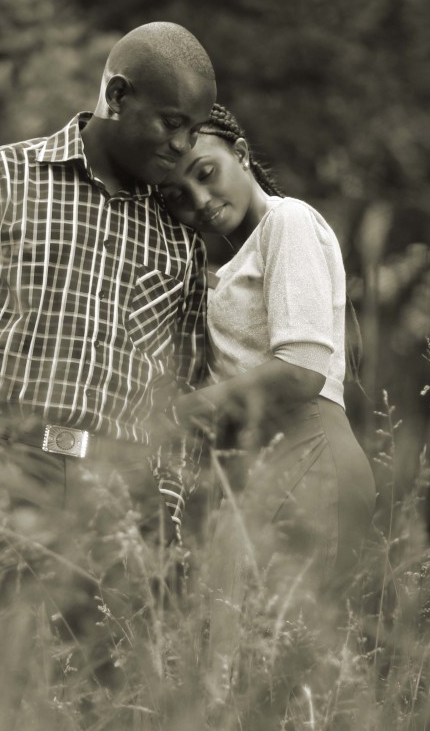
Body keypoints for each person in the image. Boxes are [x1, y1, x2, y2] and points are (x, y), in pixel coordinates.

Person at [0, 22, 217, 658]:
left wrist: (166, 511)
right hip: (1, 470)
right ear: (119, 96)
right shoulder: (0, 178)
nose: (183, 146)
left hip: (120, 498)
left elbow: (181, 395)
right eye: (171, 122)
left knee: (105, 716)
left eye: (194, 131)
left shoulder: (180, 237)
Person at [156, 104, 376, 604]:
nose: (200, 199)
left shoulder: (288, 220)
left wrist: (177, 413)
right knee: (250, 659)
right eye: (177, 197)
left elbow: (300, 370)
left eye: (205, 174)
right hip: (260, 463)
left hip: (309, 449)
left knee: (285, 652)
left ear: (241, 152)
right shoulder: (233, 263)